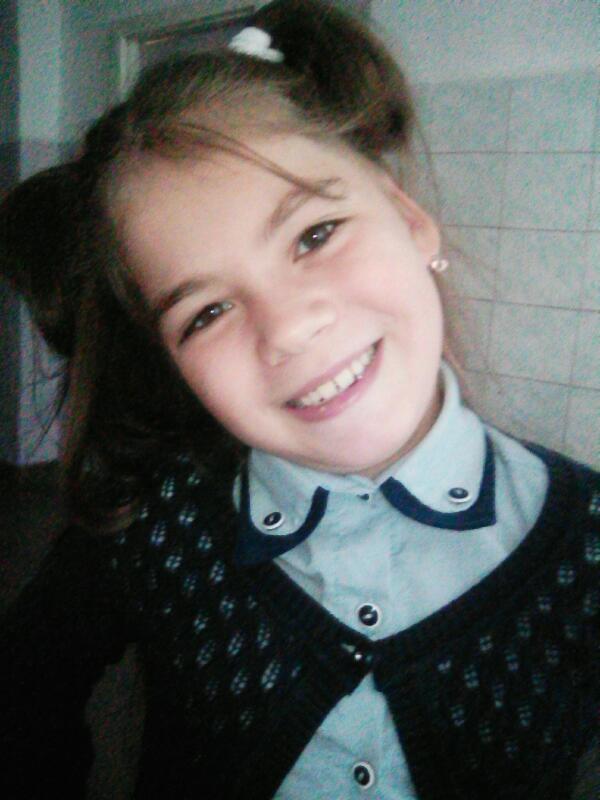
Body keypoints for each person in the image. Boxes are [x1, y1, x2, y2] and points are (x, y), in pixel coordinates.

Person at [1, 1, 598, 798]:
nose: (285, 329)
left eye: (315, 234)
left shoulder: (586, 544)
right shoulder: (153, 521)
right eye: (207, 312)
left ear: (409, 220)